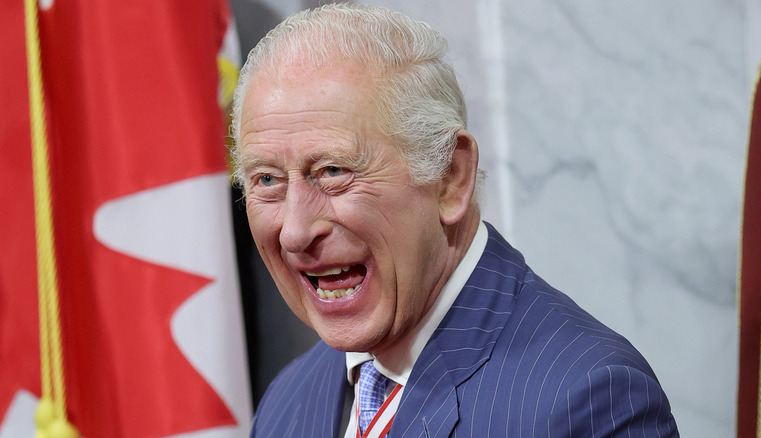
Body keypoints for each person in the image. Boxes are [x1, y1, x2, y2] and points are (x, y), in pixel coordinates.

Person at [231, 3, 678, 437]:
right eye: (267, 180)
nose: (294, 231)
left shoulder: (589, 400)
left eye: (332, 172)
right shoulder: (288, 399)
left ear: (450, 177)